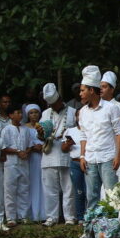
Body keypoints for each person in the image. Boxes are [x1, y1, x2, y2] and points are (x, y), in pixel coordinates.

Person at [78, 65, 120, 212]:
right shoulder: (82, 112)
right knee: (91, 197)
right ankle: (91, 226)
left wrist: (118, 156)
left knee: (112, 195)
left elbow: (119, 132)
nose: (80, 94)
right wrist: (82, 156)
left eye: (82, 90)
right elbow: (83, 135)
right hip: (90, 158)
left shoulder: (111, 108)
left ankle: (113, 226)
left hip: (108, 158)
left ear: (92, 90)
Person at [40, 83, 77, 226]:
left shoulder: (73, 112)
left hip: (66, 154)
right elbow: (41, 136)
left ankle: (69, 217)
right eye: (51, 105)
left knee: (68, 188)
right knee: (50, 189)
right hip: (49, 155)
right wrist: (40, 134)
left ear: (60, 99)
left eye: (55, 104)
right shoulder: (45, 114)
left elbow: (77, 133)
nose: (54, 107)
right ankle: (51, 217)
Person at [0, 106, 40, 226]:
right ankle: (11, 218)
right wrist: (18, 152)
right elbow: (4, 147)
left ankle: (23, 216)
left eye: (21, 113)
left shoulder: (25, 129)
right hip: (10, 163)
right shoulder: (6, 129)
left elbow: (30, 145)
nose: (20, 115)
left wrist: (26, 152)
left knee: (24, 189)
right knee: (10, 190)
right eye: (17, 112)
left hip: (23, 162)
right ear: (11, 115)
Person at [24, 104, 46, 221]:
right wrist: (32, 148)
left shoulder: (43, 126)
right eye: (31, 113)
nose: (34, 115)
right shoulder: (24, 128)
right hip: (30, 158)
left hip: (43, 156)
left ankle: (43, 213)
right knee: (31, 183)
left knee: (43, 183)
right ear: (28, 115)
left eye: (36, 112)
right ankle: (31, 213)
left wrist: (43, 146)